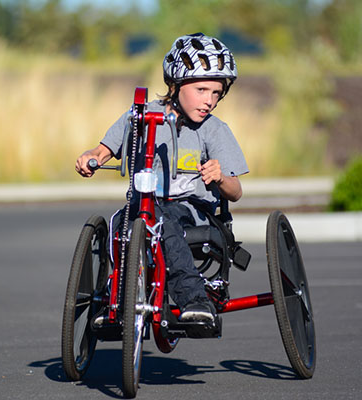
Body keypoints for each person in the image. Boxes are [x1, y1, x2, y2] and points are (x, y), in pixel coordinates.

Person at [75, 33, 249, 323]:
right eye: (202, 90)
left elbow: (236, 192)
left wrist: (220, 177)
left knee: (163, 221)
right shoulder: (140, 115)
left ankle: (195, 300)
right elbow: (104, 150)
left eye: (217, 93)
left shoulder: (214, 129)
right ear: (175, 85)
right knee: (120, 223)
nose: (209, 101)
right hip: (144, 206)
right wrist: (91, 159)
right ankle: (115, 299)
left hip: (191, 212)